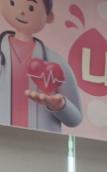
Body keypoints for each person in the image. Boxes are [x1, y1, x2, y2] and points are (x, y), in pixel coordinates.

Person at [0, 0, 82, 130]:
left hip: (40, 141)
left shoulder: (56, 61)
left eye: (31, 8)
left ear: (49, 17)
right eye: (13, 3)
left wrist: (61, 106)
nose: (21, 12)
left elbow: (75, 119)